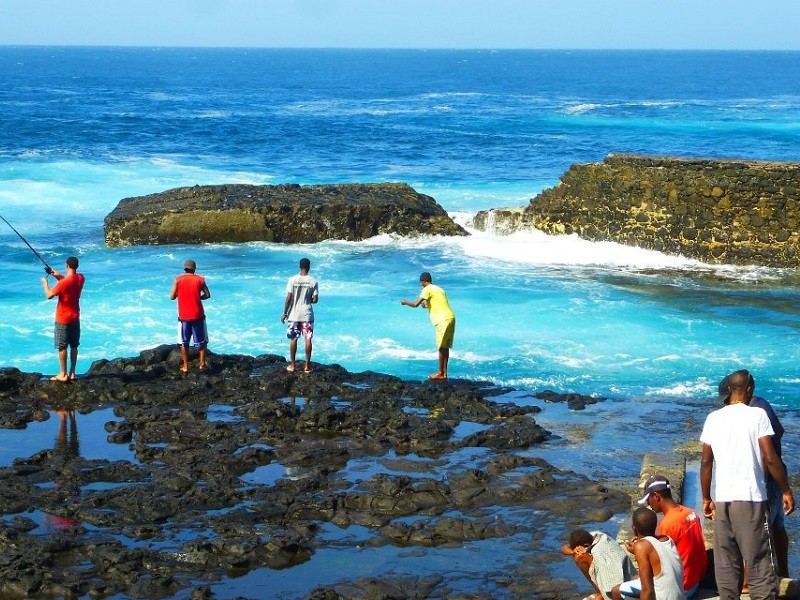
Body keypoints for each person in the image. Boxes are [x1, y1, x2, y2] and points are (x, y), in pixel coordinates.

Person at [700, 369, 795, 600]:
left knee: (726, 562)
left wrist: (706, 498)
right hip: (751, 499)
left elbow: (705, 462)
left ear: (729, 390)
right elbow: (771, 457)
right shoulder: (757, 415)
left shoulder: (713, 418)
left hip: (723, 501)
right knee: (760, 562)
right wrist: (786, 490)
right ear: (749, 389)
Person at [719, 372, 790, 579]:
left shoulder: (755, 411)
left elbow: (766, 455)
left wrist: (760, 479)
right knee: (777, 525)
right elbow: (778, 433)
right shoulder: (762, 405)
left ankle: (749, 581)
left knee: (754, 530)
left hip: (765, 479)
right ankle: (783, 571)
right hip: (777, 474)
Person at [637, 475, 707, 597]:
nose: (649, 504)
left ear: (656, 497)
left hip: (682, 588)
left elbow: (661, 563)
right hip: (696, 581)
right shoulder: (690, 513)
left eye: (649, 499)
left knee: (626, 588)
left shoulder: (667, 524)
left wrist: (638, 549)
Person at [612, 507, 686, 600]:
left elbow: (647, 589)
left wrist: (639, 548)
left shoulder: (641, 546)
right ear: (655, 525)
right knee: (635, 577)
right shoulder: (666, 539)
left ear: (634, 528)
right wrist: (637, 551)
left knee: (615, 591)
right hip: (679, 596)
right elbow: (656, 560)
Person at [399, 271, 456, 380]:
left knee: (441, 347)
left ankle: (440, 373)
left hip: (442, 320)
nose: (421, 284)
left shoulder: (427, 289)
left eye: (421, 282)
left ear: (423, 281)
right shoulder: (439, 289)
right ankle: (444, 374)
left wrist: (405, 302)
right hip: (451, 318)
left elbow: (415, 304)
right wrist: (426, 305)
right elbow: (439, 304)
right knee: (445, 347)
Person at [41, 256, 85, 381]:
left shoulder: (63, 283)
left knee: (62, 347)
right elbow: (67, 282)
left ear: (67, 266)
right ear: (77, 266)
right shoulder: (80, 278)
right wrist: (56, 275)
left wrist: (45, 283)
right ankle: (72, 373)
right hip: (75, 317)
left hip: (63, 319)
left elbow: (50, 295)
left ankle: (63, 374)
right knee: (74, 346)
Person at [561, 528, 636, 600]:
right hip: (621, 580)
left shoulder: (599, 554)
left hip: (624, 584)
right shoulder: (594, 535)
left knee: (580, 557)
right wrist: (573, 551)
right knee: (578, 555)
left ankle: (600, 594)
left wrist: (604, 595)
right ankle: (599, 592)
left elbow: (612, 585)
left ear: (586, 545)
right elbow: (564, 548)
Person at [169, 259, 211, 373]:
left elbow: (172, 297)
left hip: (183, 316)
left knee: (184, 342)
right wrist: (198, 297)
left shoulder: (178, 280)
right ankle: (202, 364)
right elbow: (207, 295)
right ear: (194, 269)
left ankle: (185, 366)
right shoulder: (200, 280)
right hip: (198, 315)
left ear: (185, 269)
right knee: (202, 341)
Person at [281, 257, 318, 373]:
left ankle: (292, 365)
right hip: (307, 314)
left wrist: (284, 313)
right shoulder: (313, 281)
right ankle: (307, 366)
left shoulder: (292, 280)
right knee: (308, 339)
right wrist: (308, 299)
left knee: (293, 339)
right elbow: (315, 300)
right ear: (309, 267)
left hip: (294, 314)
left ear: (300, 266)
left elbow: (288, 298)